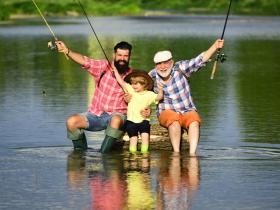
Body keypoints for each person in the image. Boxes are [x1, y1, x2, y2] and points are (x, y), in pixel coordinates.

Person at [55, 40, 134, 153]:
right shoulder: (103, 66)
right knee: (71, 122)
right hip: (95, 114)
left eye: (126, 56)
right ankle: (81, 154)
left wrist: (130, 100)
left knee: (116, 119)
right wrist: (67, 51)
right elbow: (84, 60)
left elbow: (140, 98)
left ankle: (103, 155)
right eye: (120, 55)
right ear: (114, 55)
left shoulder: (132, 76)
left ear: (129, 57)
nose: (122, 58)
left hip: (116, 116)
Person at [149, 39, 224, 156]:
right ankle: (176, 154)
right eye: (159, 64)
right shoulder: (151, 77)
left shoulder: (180, 68)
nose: (162, 67)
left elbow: (200, 60)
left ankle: (192, 154)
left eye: (166, 63)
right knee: (174, 121)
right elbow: (142, 95)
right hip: (166, 111)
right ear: (155, 65)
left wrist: (215, 46)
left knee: (194, 121)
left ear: (172, 62)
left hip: (186, 110)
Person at [112, 65, 163, 153]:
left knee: (145, 138)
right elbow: (121, 81)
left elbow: (159, 97)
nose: (133, 86)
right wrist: (115, 71)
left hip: (144, 121)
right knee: (133, 140)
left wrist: (161, 89)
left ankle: (144, 155)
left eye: (136, 84)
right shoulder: (131, 91)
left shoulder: (149, 94)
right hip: (131, 121)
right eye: (132, 83)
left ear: (144, 83)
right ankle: (133, 157)